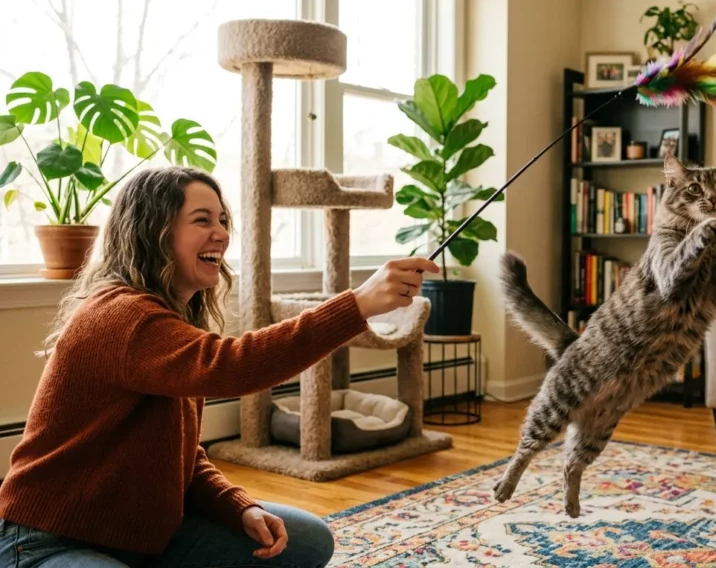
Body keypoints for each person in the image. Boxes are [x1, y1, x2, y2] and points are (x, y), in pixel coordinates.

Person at [0, 166, 440, 567]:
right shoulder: (121, 317)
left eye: (222, 220)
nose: (222, 234)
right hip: (50, 539)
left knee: (307, 540)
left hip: (147, 538)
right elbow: (234, 365)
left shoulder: (169, 321)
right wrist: (357, 304)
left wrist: (238, 505)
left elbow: (182, 456)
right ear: (153, 230)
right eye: (202, 220)